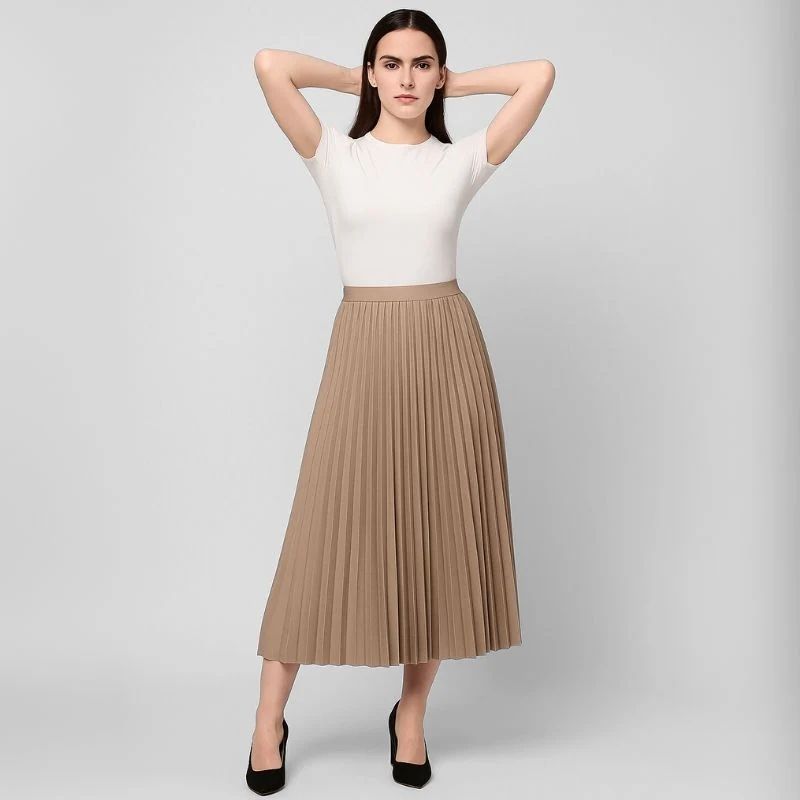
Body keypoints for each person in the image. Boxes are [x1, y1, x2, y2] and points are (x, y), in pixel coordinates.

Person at [247, 9, 555, 793]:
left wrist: (454, 85)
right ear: (371, 72)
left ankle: (411, 715)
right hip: (362, 350)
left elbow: (539, 75)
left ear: (439, 74)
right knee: (319, 534)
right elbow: (271, 63)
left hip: (446, 351)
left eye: (423, 65)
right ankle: (267, 720)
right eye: (392, 63)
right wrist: (360, 82)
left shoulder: (460, 160)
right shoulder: (335, 155)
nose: (407, 78)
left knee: (434, 537)